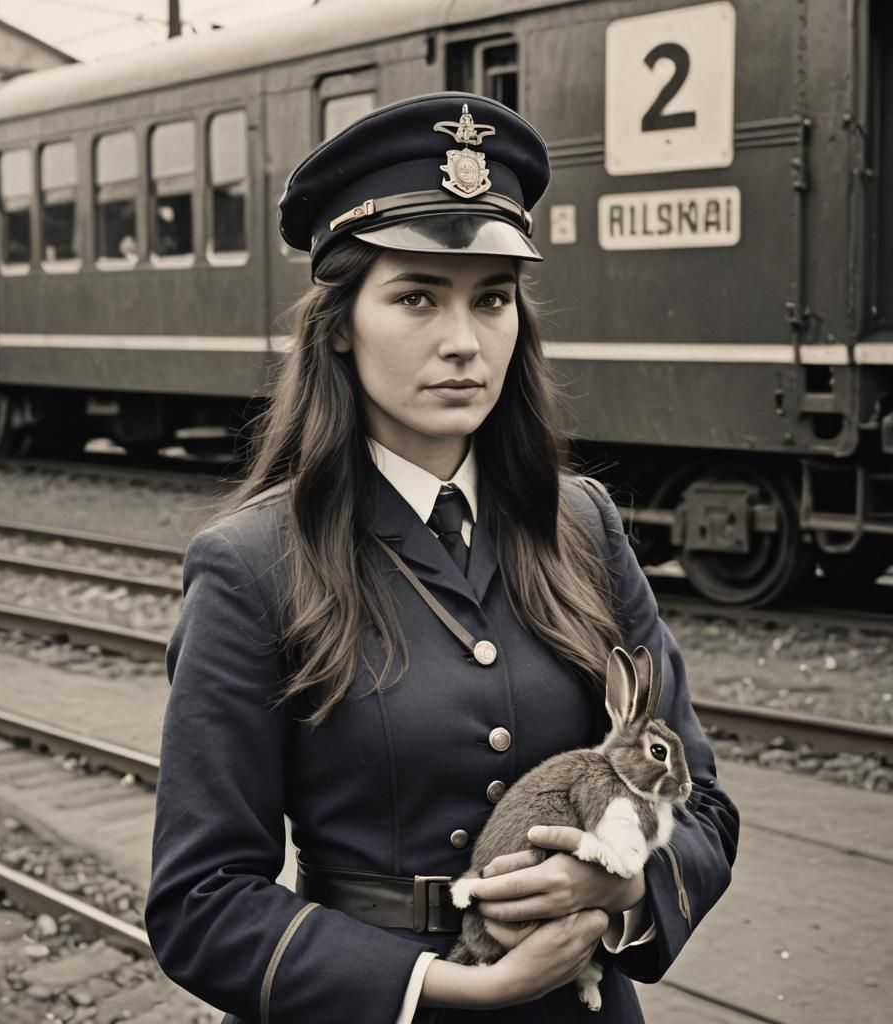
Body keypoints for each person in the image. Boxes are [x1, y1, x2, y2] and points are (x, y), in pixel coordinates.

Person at [145, 92, 739, 1023]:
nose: (464, 342)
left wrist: (624, 893)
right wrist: (455, 985)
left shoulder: (582, 524)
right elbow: (201, 900)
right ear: (339, 323)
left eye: (492, 299)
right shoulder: (252, 563)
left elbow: (700, 804)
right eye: (417, 296)